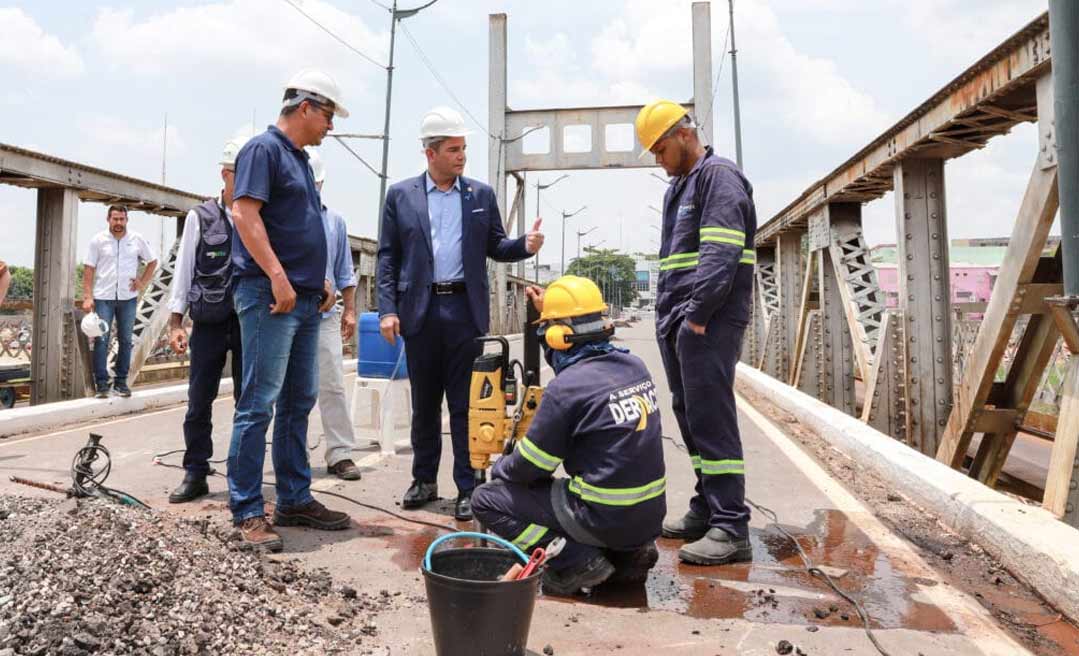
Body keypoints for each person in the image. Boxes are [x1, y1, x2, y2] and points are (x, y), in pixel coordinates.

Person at [377, 106, 545, 521]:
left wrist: (525, 245)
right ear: (430, 153)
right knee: (424, 404)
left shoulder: (480, 196)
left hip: (464, 311)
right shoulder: (401, 196)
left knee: (467, 406)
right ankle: (424, 480)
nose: (462, 156)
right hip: (420, 311)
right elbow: (387, 257)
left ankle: (468, 486)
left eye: (464, 149)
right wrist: (387, 310)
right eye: (453, 149)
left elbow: (497, 246)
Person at [472, 276, 666, 596]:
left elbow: (530, 467)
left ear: (557, 337)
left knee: (487, 499)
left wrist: (501, 468)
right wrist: (547, 310)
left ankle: (575, 561)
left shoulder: (567, 388)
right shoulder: (635, 367)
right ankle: (630, 555)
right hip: (648, 519)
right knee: (602, 484)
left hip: (602, 517)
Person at [227, 69, 351, 552]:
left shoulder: (298, 159)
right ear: (305, 108)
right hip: (270, 295)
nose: (331, 127)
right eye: (328, 116)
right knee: (258, 403)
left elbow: (298, 225)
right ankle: (247, 509)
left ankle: (294, 498)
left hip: (303, 298)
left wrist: (318, 280)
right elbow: (244, 213)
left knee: (300, 400)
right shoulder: (263, 150)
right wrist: (279, 276)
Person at [635, 100, 757, 565]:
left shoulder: (718, 177)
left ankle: (731, 524)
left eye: (660, 149)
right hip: (678, 319)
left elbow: (721, 253)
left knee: (711, 416)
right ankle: (707, 506)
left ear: (684, 135)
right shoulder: (679, 188)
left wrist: (698, 316)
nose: (659, 160)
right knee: (690, 414)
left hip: (708, 320)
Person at [165, 135, 249, 504]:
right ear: (225, 174)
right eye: (239, 174)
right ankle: (195, 472)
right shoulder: (200, 217)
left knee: (249, 402)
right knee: (199, 400)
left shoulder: (259, 217)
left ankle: (242, 474)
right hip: (209, 321)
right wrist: (175, 322)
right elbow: (184, 270)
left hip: (249, 323)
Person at [307, 148, 361, 481]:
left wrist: (350, 310)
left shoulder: (334, 222)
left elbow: (344, 270)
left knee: (333, 386)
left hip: (325, 318)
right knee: (291, 392)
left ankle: (340, 452)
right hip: (289, 317)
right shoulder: (280, 219)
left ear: (321, 182)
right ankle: (294, 456)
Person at [81, 206, 158, 398]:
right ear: (108, 219)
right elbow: (89, 268)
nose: (118, 223)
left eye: (122, 219)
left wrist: (142, 282)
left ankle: (121, 383)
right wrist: (88, 296)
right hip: (103, 297)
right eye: (115, 219)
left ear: (127, 220)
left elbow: (153, 261)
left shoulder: (136, 239)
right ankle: (102, 385)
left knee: (126, 340)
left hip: (128, 298)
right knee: (101, 340)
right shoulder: (98, 240)